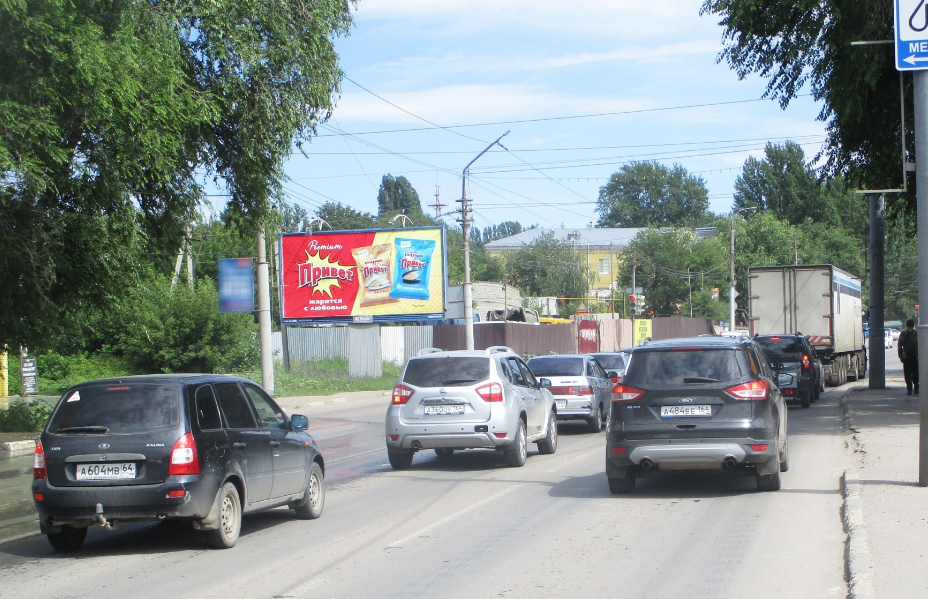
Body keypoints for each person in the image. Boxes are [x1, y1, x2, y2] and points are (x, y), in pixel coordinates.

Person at [898, 319, 919, 395]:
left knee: (907, 373)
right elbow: (919, 345)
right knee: (915, 373)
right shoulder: (916, 333)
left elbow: (900, 345)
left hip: (906, 356)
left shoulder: (903, 333)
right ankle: (916, 388)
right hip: (915, 356)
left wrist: (900, 356)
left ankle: (909, 389)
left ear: (906, 325)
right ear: (913, 325)